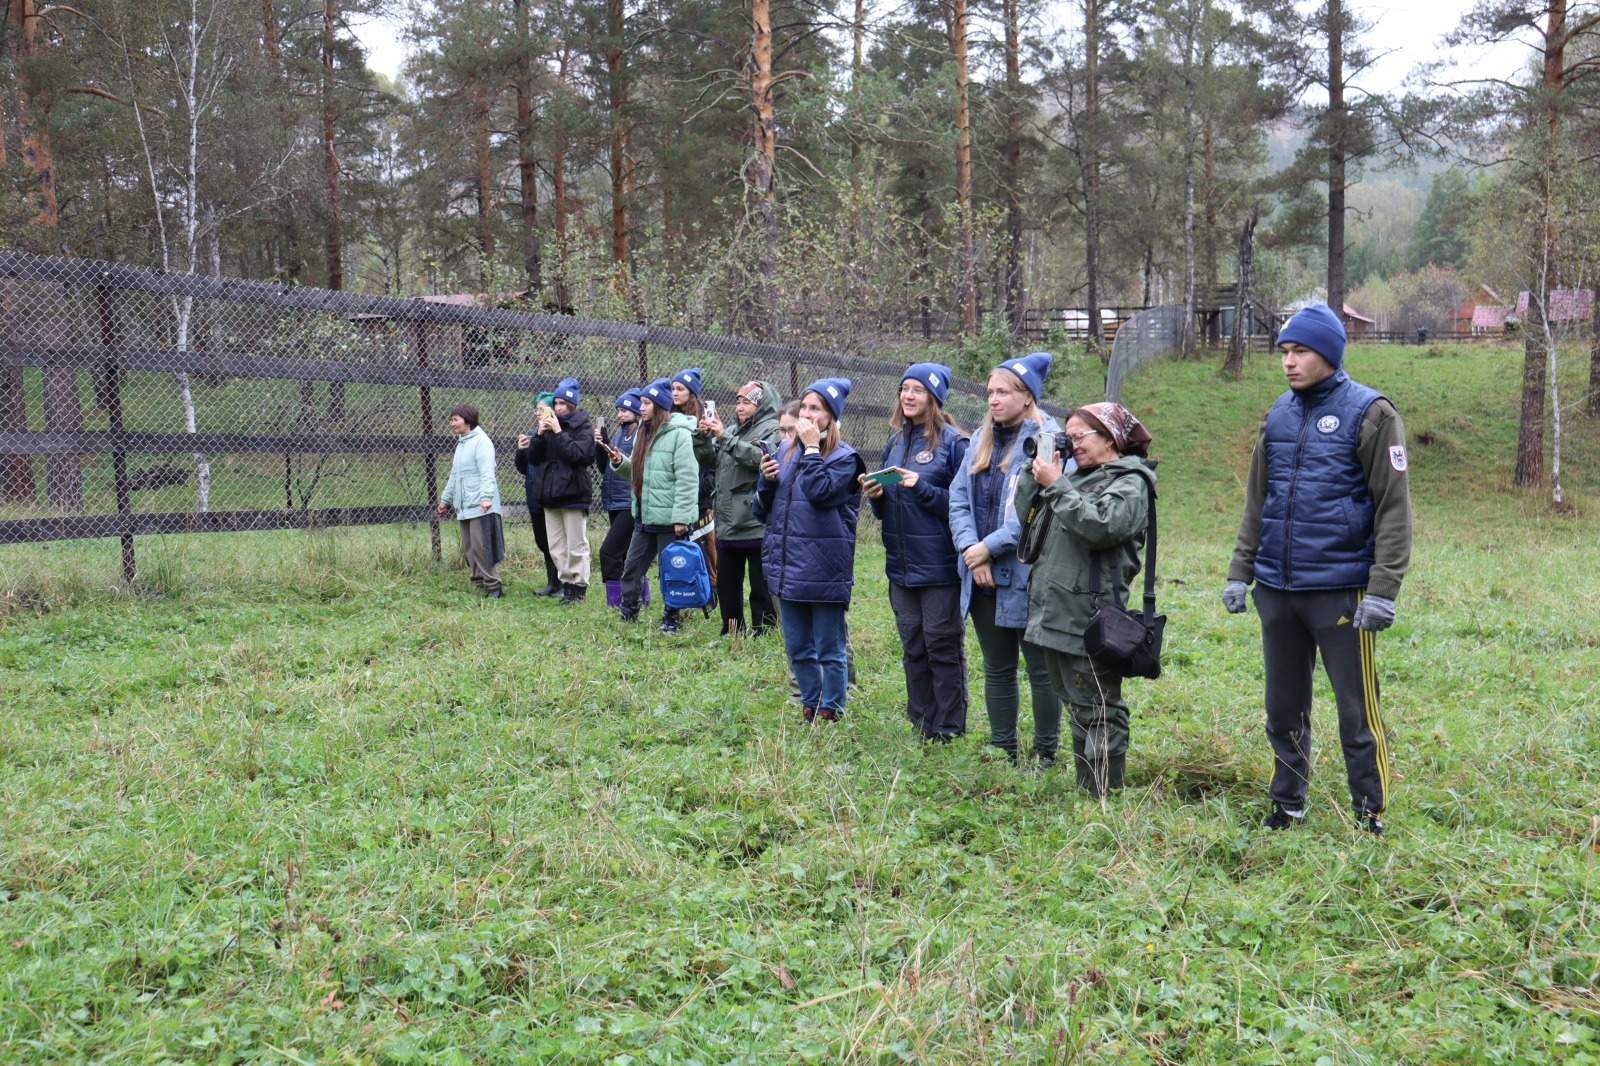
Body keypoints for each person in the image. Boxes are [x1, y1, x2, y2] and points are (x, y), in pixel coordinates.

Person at [1223, 303, 1412, 836]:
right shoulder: (1277, 415)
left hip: (1341, 593)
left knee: (1357, 714)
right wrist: (1241, 572)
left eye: (1300, 351)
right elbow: (1258, 501)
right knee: (1283, 710)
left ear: (1328, 354)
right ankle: (1288, 805)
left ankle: (1369, 815)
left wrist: (1383, 589)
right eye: (1284, 351)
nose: (1289, 362)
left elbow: (1394, 508)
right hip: (1278, 592)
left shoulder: (1372, 414)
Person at [1015, 401, 1154, 796]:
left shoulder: (1131, 481)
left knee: (1099, 708)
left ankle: (1102, 797)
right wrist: (1037, 470)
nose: (1072, 444)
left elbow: (1101, 527)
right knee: (1076, 703)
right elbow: (1029, 515)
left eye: (1079, 437)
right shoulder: (1077, 478)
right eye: (1069, 437)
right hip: (1058, 609)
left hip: (1091, 614)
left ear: (1109, 438)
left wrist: (1057, 484)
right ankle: (1086, 788)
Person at [949, 351, 1066, 765]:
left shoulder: (1047, 440)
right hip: (981, 573)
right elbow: (958, 497)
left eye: (1003, 392)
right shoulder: (983, 438)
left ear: (1028, 396)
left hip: (1029, 573)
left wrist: (988, 547)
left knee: (1040, 670)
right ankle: (1003, 750)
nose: (993, 400)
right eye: (990, 392)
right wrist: (972, 552)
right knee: (997, 666)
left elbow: (1035, 513)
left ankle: (1045, 753)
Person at [864, 362, 970, 743]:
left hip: (940, 568)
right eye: (904, 389)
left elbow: (963, 508)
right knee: (913, 646)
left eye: (918, 390)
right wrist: (877, 498)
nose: (908, 396)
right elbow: (887, 508)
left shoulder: (956, 444)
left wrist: (920, 488)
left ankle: (950, 728)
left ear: (935, 398)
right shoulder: (895, 443)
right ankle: (922, 724)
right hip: (901, 568)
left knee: (942, 646)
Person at [756, 378, 865, 724]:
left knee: (829, 649)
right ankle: (810, 704)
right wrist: (766, 480)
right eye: (804, 407)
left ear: (832, 417)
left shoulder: (846, 459)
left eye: (815, 408)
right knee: (798, 648)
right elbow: (762, 510)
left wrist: (813, 449)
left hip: (824, 568)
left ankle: (832, 709)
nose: (806, 414)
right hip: (789, 566)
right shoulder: (785, 453)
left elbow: (820, 493)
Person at [604, 378, 700, 632]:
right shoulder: (642, 433)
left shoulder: (680, 435)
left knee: (672, 571)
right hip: (644, 517)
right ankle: (629, 610)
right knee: (632, 567)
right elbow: (640, 475)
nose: (641, 407)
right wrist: (620, 462)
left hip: (670, 521)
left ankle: (671, 616)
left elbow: (688, 479)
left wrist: (681, 517)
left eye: (646, 403)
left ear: (659, 406)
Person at [706, 380, 782, 634]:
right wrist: (702, 437)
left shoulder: (772, 428)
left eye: (747, 402)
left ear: (762, 404)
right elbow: (708, 460)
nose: (740, 407)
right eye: (738, 402)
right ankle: (732, 630)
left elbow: (760, 459)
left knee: (760, 584)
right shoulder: (731, 430)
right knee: (728, 583)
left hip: (754, 520)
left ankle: (765, 631)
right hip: (728, 520)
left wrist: (723, 437)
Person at [515, 377, 595, 604]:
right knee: (557, 546)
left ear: (573, 405)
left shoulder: (584, 427)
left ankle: (579, 589)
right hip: (549, 495)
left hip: (573, 494)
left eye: (563, 404)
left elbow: (578, 456)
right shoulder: (546, 427)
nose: (558, 408)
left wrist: (559, 432)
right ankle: (566, 586)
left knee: (576, 545)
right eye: (556, 403)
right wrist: (539, 435)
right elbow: (533, 458)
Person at [437, 403, 504, 598]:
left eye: (455, 419)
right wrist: (445, 500)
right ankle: (479, 582)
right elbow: (454, 475)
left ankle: (494, 586)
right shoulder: (462, 443)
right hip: (464, 504)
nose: (452, 424)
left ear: (468, 420)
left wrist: (486, 498)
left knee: (481, 547)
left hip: (480, 505)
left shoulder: (482, 442)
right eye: (452, 419)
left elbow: (487, 472)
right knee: (469, 548)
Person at [596, 388, 648, 609]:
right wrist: (602, 445)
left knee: (609, 551)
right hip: (613, 500)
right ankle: (641, 597)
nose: (620, 414)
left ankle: (618, 601)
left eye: (625, 409)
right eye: (618, 410)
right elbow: (604, 469)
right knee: (626, 554)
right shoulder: (620, 433)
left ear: (637, 411)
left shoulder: (641, 434)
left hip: (630, 501)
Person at [515, 390, 563, 597]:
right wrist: (521, 451)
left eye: (542, 408)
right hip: (534, 495)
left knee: (557, 542)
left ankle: (564, 584)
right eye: (536, 409)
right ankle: (552, 583)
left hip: (552, 496)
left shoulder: (558, 434)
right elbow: (523, 468)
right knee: (543, 541)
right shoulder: (534, 433)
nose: (537, 413)